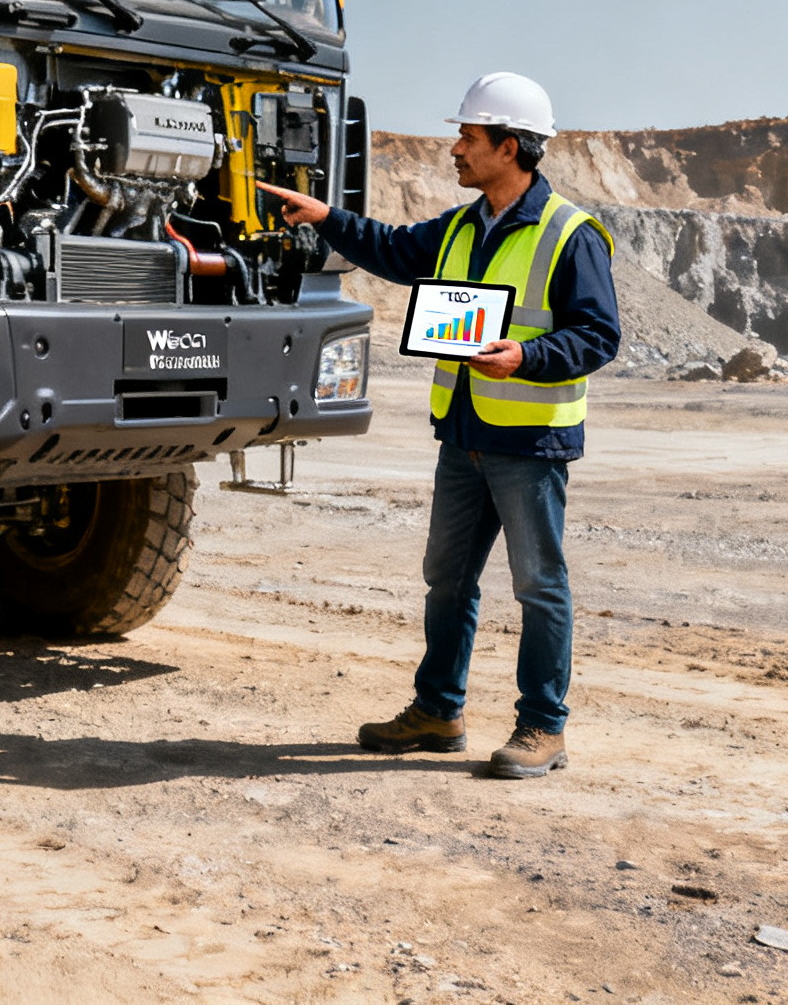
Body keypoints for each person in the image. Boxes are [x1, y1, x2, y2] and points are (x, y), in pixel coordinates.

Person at [261, 71, 619, 779]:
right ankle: (438, 711)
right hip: (463, 435)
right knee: (447, 581)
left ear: (510, 146)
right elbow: (393, 250)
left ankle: (543, 728)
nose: (455, 148)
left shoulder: (570, 234)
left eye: (469, 137)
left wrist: (526, 357)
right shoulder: (460, 225)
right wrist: (326, 215)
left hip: (528, 442)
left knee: (539, 585)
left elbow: (598, 335)